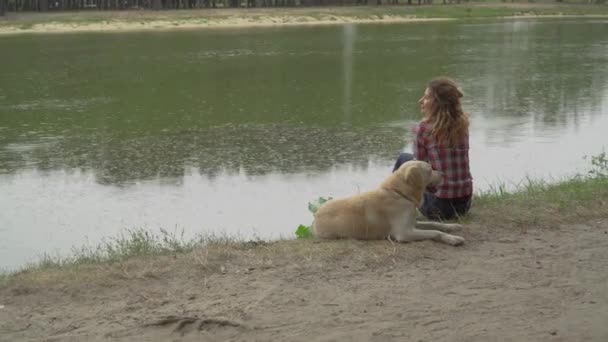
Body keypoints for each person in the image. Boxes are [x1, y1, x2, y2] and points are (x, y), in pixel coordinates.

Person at [393, 77, 473, 220]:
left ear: (438, 103)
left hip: (438, 208)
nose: (421, 101)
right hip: (464, 205)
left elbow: (418, 170)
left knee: (404, 160)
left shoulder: (422, 129)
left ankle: (392, 205)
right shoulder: (463, 125)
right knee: (407, 158)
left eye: (426, 97)